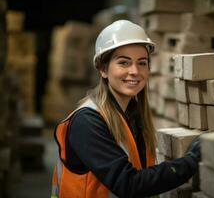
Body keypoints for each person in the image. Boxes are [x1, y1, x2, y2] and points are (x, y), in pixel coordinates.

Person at [51, 20, 201, 198]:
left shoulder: (132, 115)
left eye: (142, 63)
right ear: (103, 69)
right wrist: (191, 161)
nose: (135, 71)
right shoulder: (87, 122)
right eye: (124, 63)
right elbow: (129, 184)